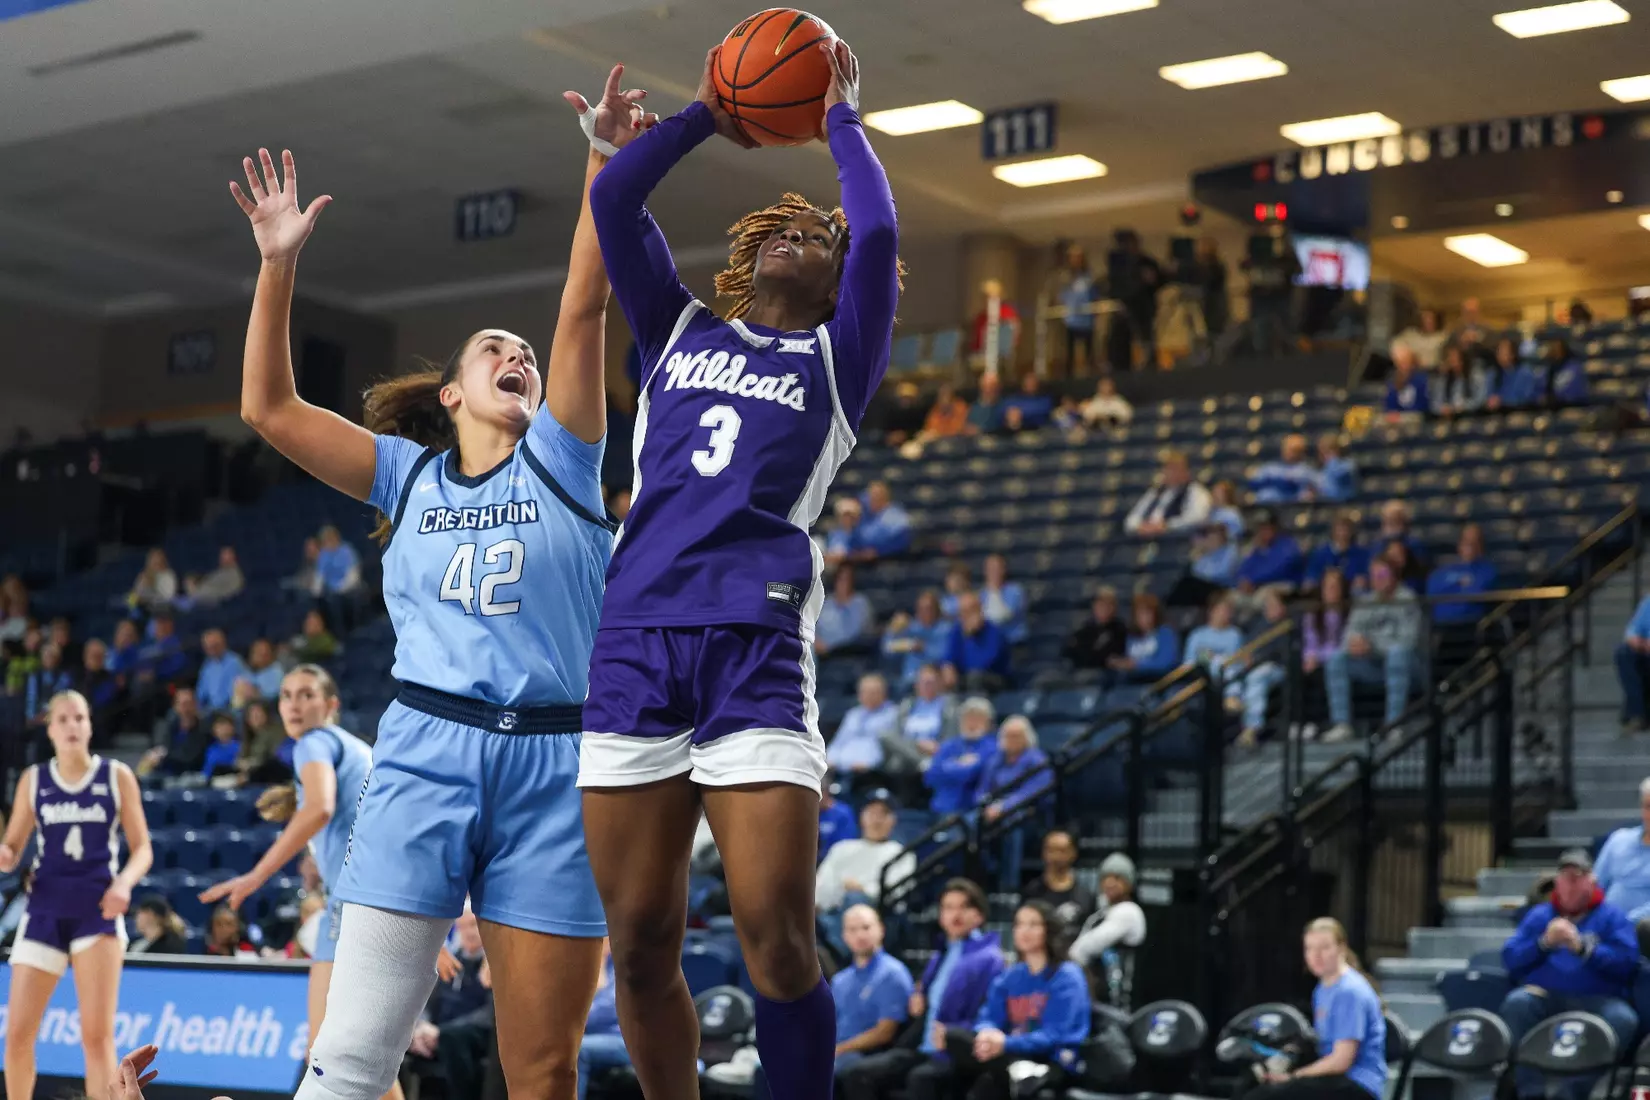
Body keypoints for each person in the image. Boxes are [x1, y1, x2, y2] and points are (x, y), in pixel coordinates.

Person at [232, 68, 652, 1100]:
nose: (519, 355)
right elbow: (269, 409)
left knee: (542, 1069)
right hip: (426, 749)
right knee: (351, 1056)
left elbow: (584, 302)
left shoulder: (564, 457)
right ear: (453, 393)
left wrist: (602, 159)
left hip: (558, 760)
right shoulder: (405, 472)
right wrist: (278, 267)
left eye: (524, 353)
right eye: (493, 350)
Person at [579, 38, 898, 1100]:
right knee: (638, 940)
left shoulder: (839, 360)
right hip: (634, 642)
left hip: (753, 646)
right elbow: (614, 201)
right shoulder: (674, 331)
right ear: (750, 252)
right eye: (785, 227)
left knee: (777, 939)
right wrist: (704, 116)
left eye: (820, 235)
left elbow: (879, 228)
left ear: (841, 278)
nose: (802, 233)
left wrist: (840, 115)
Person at [198, 666, 393, 1095]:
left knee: (327, 1054)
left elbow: (320, 807)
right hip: (376, 899)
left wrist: (256, 875)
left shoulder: (313, 743)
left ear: (331, 704)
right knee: (364, 1055)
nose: (293, 704)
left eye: (306, 695)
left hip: (351, 902)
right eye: (286, 695)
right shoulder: (354, 748)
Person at [0, 691, 152, 1100]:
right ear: (49, 729)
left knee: (96, 1037)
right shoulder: (34, 779)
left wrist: (124, 883)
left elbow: (143, 848)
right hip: (43, 910)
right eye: (63, 719)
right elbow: (12, 847)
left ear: (90, 725)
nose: (72, 725)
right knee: (17, 1035)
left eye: (79, 718)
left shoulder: (116, 775)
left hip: (96, 911)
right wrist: (5, 855)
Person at [834, 880, 1004, 1100]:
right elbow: (925, 1002)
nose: (956, 914)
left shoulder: (989, 959)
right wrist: (919, 997)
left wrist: (956, 1033)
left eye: (964, 907)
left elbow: (989, 1012)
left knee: (921, 1078)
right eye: (948, 907)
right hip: (922, 1046)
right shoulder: (940, 954)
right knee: (858, 1074)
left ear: (979, 914)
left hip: (954, 1049)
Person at [1500, 850, 1639, 1100]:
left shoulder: (1612, 916)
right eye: (1565, 878)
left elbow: (1627, 963)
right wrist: (1543, 943)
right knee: (1517, 1003)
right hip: (1545, 995)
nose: (1570, 885)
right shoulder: (1540, 916)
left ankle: (1571, 1093)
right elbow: (1511, 958)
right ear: (1557, 882)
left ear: (1591, 881)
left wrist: (1584, 948)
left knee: (1624, 1018)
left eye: (1577, 878)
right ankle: (1530, 1092)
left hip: (1599, 999)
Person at [939, 901, 1087, 1100]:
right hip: (1011, 1053)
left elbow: (1055, 1035)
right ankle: (1017, 1070)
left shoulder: (1067, 976)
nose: (1024, 930)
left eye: (1033, 924)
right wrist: (987, 1033)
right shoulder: (1010, 977)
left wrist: (1005, 1043)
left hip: (1054, 1057)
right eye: (1019, 924)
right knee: (955, 1040)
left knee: (987, 1083)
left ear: (1048, 930)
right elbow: (988, 1017)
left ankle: (1025, 1072)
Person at [1237, 918, 1385, 1100]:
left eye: (1324, 948)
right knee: (1250, 1084)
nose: (1316, 956)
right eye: (1310, 948)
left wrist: (1294, 1076)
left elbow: (1341, 1061)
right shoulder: (1321, 989)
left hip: (1356, 1083)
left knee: (1265, 1096)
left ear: (1341, 948)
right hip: (1332, 1077)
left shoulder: (1349, 992)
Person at [1323, 560, 1420, 741]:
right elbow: (1348, 637)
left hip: (1409, 666)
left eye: (1382, 575)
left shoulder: (1407, 599)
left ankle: (1394, 724)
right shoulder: (1365, 602)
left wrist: (1373, 645)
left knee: (1397, 654)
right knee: (1337, 658)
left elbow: (1408, 641)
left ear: (1394, 576)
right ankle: (1342, 725)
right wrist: (1355, 644)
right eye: (1374, 576)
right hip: (1374, 664)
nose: (1377, 579)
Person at [409, 911, 495, 1100]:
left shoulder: (491, 968)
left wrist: (441, 1033)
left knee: (454, 1042)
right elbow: (428, 1000)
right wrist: (422, 1026)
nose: (468, 932)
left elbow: (489, 1014)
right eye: (462, 926)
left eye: (473, 925)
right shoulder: (451, 961)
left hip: (468, 1037)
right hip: (437, 1033)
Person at [829, 905, 914, 1072]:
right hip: (837, 1051)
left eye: (866, 927)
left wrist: (838, 1049)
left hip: (866, 1055)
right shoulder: (840, 980)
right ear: (844, 936)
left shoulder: (893, 973)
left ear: (881, 930)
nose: (860, 935)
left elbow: (884, 1033)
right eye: (853, 930)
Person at [815, 793, 916, 915]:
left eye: (883, 814)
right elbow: (820, 890)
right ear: (862, 817)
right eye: (872, 813)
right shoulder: (841, 848)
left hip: (879, 914)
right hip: (833, 912)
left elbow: (898, 894)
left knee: (855, 898)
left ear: (893, 821)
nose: (877, 820)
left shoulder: (901, 853)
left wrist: (863, 890)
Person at [1070, 853, 1147, 1010]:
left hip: (1118, 1002)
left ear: (1129, 883)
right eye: (1106, 877)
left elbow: (1085, 948)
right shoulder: (1101, 913)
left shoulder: (1129, 911)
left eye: (1117, 878)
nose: (1110, 883)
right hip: (1096, 997)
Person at [1592, 780, 1650, 952]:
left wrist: (1622, 923)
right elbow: (1595, 885)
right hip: (1605, 928)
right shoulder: (1618, 839)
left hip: (1643, 932)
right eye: (1648, 807)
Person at [577, 940, 631, 1100]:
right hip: (589, 1036)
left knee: (578, 1050)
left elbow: (600, 1013)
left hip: (624, 1041)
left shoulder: (624, 967)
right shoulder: (582, 965)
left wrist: (600, 970)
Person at [926, 699, 997, 815]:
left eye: (978, 718)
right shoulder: (949, 745)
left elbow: (970, 775)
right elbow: (930, 776)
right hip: (939, 809)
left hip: (970, 810)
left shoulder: (992, 747)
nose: (972, 723)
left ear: (988, 723)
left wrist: (948, 766)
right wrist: (959, 764)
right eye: (968, 718)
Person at [828, 674, 899, 777]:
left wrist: (868, 764)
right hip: (840, 767)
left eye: (873, 692)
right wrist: (830, 759)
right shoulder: (853, 714)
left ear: (883, 694)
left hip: (871, 771)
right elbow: (838, 742)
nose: (868, 696)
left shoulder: (893, 714)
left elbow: (886, 748)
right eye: (864, 692)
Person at [1124, 450, 1211, 536]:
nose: (1170, 473)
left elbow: (1197, 518)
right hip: (1147, 536)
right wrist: (1140, 527)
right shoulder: (1154, 492)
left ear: (1186, 471)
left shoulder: (1196, 492)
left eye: (1175, 469)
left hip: (1175, 539)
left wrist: (1168, 525)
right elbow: (1131, 520)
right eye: (1167, 468)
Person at [1021, 829, 1096, 927]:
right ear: (1043, 853)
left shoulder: (1085, 895)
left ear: (1074, 853)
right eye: (1051, 850)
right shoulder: (1032, 892)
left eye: (1062, 851)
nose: (1056, 856)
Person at [942, 591, 1014, 694]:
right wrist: (948, 667)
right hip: (966, 680)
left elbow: (984, 664)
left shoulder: (995, 632)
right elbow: (949, 657)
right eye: (963, 612)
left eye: (971, 610)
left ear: (980, 610)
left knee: (975, 678)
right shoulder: (957, 631)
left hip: (995, 682)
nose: (965, 616)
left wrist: (970, 637)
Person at [882, 592, 953, 692]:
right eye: (921, 609)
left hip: (934, 681)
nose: (925, 612)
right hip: (908, 681)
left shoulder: (946, 629)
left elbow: (946, 656)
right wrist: (892, 631)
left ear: (937, 610)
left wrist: (924, 648)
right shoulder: (910, 627)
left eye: (928, 609)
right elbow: (887, 650)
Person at [1114, 593, 1181, 685]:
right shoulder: (1131, 636)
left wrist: (1137, 665)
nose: (1144, 618)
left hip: (1160, 682)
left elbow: (1166, 662)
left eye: (1147, 613)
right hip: (1134, 682)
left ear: (1155, 614)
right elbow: (1127, 660)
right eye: (1140, 614)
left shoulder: (1166, 633)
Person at [1062, 588, 1127, 674]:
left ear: (1115, 608)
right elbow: (1068, 652)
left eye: (1109, 605)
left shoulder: (1120, 630)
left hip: (1107, 675)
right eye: (1101, 605)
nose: (1105, 609)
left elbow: (1111, 656)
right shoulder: (1084, 629)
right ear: (1094, 606)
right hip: (1082, 673)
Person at [1059, 245, 1100, 371]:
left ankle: (1090, 370)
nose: (1076, 260)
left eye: (1078, 257)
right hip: (1071, 319)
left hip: (1087, 319)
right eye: (1073, 257)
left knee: (1089, 350)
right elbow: (1061, 296)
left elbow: (1094, 295)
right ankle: (1068, 373)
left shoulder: (1089, 276)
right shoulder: (1065, 277)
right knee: (1069, 351)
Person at [1249, 434, 1318, 504]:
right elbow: (1254, 484)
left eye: (1296, 450)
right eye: (1288, 449)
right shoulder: (1270, 468)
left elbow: (1318, 488)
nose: (1291, 453)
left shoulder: (1307, 471)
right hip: (1271, 505)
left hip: (1296, 505)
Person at [978, 554, 1028, 645]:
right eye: (990, 569)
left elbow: (1002, 616)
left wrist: (994, 591)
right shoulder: (982, 594)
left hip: (1012, 642)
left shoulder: (1015, 591)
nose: (993, 572)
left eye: (996, 568)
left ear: (1004, 570)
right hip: (990, 643)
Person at [1618, 593, 1650, 732]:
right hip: (1646, 651)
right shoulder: (1648, 603)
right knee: (1624, 653)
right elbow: (1632, 631)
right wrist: (1635, 640)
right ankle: (1637, 714)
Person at [1383, 345, 1429, 418]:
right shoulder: (1393, 379)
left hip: (1416, 417)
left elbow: (1422, 404)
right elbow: (1390, 403)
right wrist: (1392, 413)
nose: (1402, 366)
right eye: (1399, 363)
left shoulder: (1421, 379)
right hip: (1398, 419)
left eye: (1405, 361)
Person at [1315, 435, 1358, 503]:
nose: (1324, 456)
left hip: (1348, 503)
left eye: (1327, 452)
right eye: (1322, 453)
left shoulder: (1348, 464)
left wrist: (1332, 460)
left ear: (1337, 450)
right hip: (1327, 504)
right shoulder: (1322, 471)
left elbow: (1340, 473)